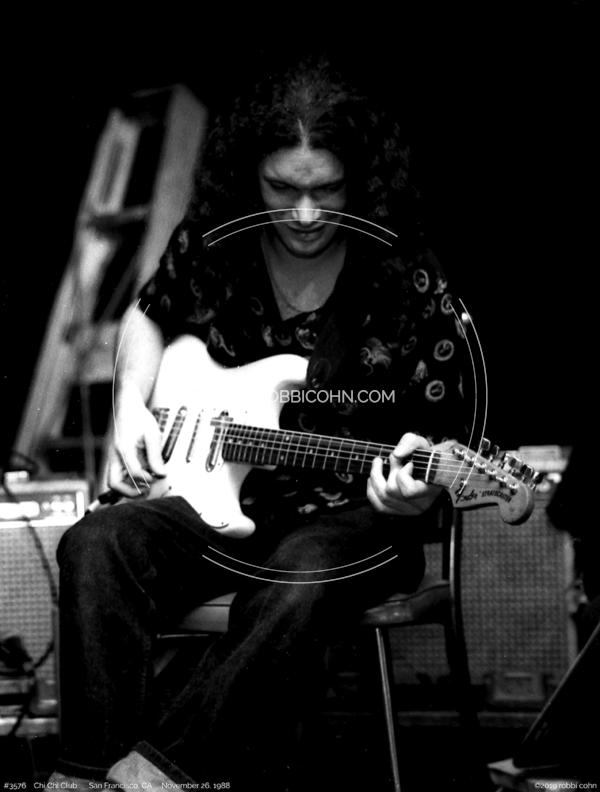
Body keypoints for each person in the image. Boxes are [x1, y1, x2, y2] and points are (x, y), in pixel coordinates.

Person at [49, 55, 470, 791]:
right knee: (96, 543)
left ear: (359, 180)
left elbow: (443, 426)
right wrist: (129, 409)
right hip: (217, 504)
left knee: (300, 576)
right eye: (282, 188)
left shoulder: (405, 272)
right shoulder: (218, 238)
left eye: (326, 189)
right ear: (250, 177)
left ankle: (155, 777)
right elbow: (148, 313)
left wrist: (421, 489)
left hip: (348, 519)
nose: (305, 214)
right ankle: (85, 777)